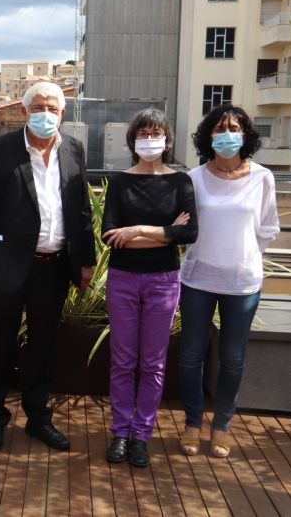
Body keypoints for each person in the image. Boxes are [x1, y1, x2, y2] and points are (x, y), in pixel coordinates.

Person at [0, 81, 95, 453]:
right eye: (38, 107)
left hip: (53, 267)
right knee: (0, 346)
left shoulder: (73, 148)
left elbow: (82, 209)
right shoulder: (0, 149)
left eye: (52, 108)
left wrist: (85, 262)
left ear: (63, 113)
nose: (45, 114)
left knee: (43, 346)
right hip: (6, 266)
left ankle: (39, 418)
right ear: (24, 112)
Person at [178, 104, 279, 458]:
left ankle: (221, 426)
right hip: (197, 279)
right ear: (209, 136)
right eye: (220, 128)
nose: (227, 134)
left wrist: (246, 258)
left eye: (234, 128)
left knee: (233, 359)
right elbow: (185, 228)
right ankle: (192, 423)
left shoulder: (263, 177)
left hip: (243, 285)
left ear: (245, 135)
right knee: (191, 356)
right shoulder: (193, 177)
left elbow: (267, 229)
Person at [100, 108, 197, 467]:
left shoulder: (181, 182)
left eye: (156, 134)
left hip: (163, 282)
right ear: (132, 140)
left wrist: (137, 231)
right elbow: (110, 237)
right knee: (123, 361)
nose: (150, 140)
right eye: (143, 134)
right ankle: (120, 432)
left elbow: (189, 233)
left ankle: (141, 435)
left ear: (167, 140)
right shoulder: (120, 182)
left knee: (154, 364)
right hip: (123, 279)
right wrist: (165, 233)